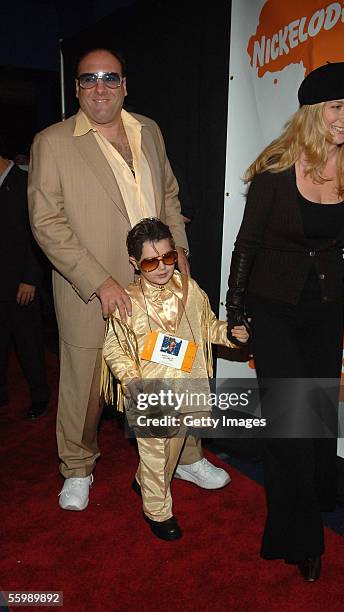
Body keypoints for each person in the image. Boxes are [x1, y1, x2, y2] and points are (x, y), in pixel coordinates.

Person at [28, 47, 229, 511]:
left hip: (159, 283)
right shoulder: (53, 142)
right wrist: (99, 281)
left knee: (174, 371)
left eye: (110, 77)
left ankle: (185, 455)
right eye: (88, 79)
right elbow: (47, 223)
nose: (100, 87)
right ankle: (77, 467)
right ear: (76, 87)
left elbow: (170, 197)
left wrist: (178, 258)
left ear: (125, 84)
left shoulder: (149, 130)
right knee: (86, 386)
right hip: (90, 290)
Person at [226, 62, 344, 582]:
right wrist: (235, 309)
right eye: (337, 107)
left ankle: (308, 511)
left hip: (325, 310)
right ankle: (304, 539)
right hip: (273, 308)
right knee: (289, 427)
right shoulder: (275, 167)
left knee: (314, 426)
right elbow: (247, 244)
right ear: (313, 110)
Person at [102, 218, 249, 540]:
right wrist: (132, 383)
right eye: (151, 262)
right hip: (150, 390)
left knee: (174, 445)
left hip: (189, 383)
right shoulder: (127, 301)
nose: (162, 268)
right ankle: (157, 510)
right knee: (156, 452)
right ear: (134, 263)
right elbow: (114, 349)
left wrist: (230, 333)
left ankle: (142, 481)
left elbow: (208, 325)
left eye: (168, 258)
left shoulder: (189, 288)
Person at [0, 138, 49, 419]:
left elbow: (39, 235)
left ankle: (40, 397)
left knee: (28, 344)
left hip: (22, 284)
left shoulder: (26, 183)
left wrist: (31, 278)